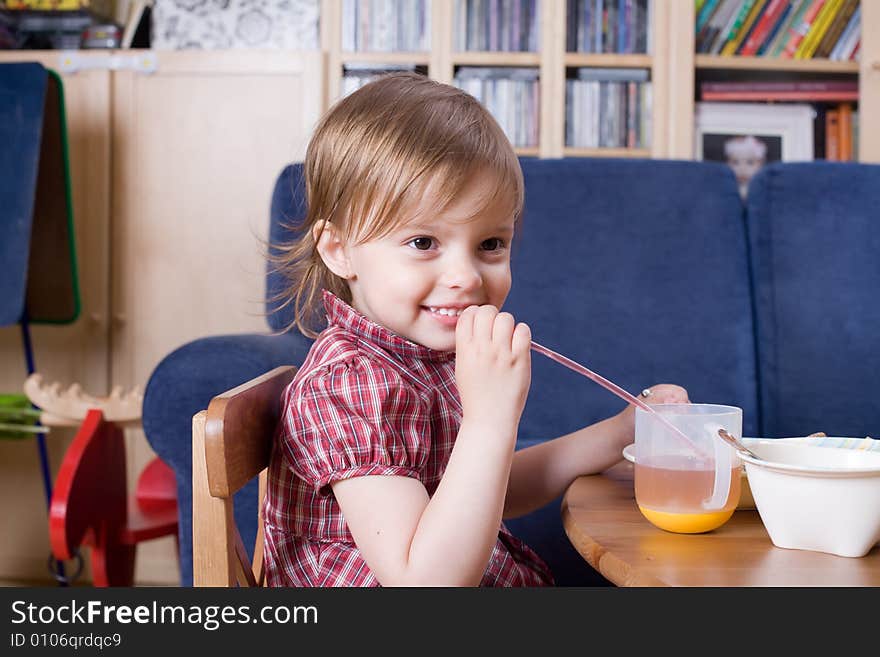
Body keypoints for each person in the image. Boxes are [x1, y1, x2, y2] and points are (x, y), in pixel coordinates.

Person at [263, 72, 688, 586]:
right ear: (338, 249)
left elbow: (490, 491)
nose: (466, 277)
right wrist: (490, 419)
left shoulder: (419, 358)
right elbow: (427, 583)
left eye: (490, 244)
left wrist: (620, 433)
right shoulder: (352, 384)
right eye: (423, 242)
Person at [724, 134, 767, 200]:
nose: (742, 169)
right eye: (735, 162)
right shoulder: (726, 186)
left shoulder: (764, 187)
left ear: (761, 165)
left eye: (750, 162)